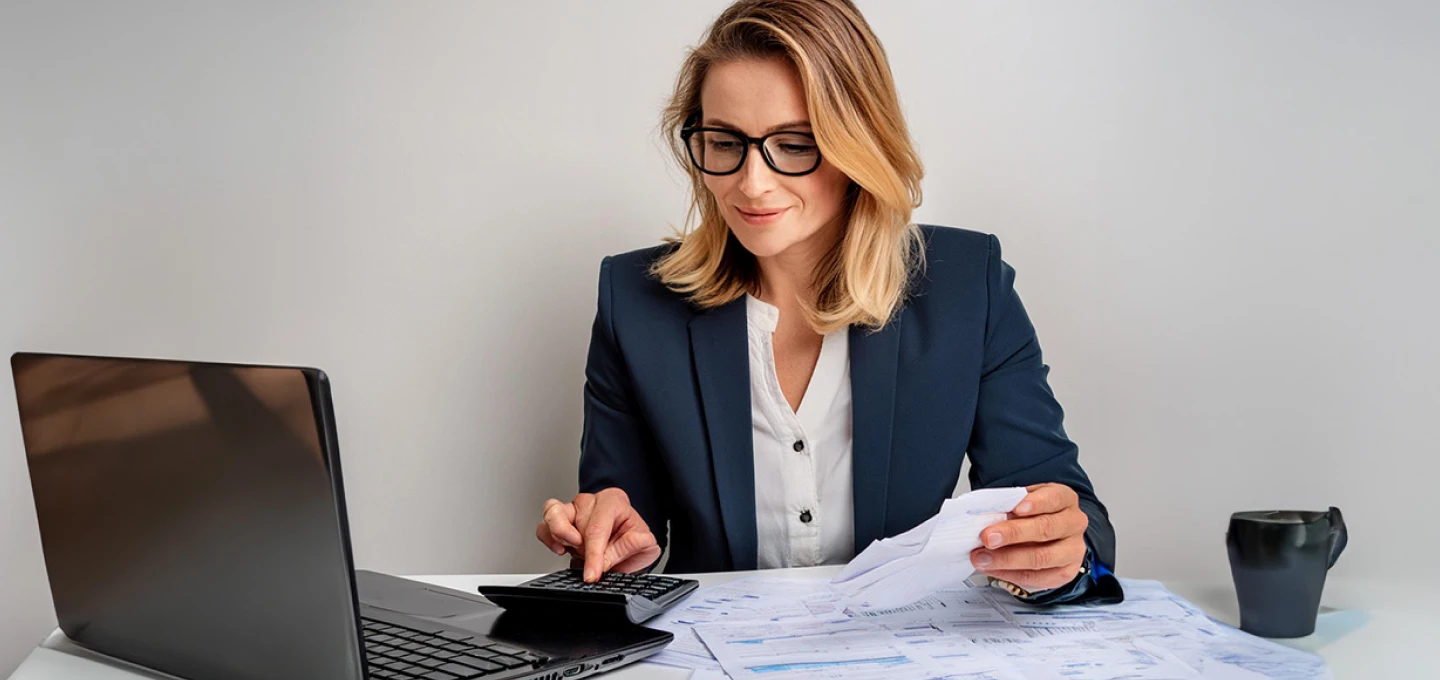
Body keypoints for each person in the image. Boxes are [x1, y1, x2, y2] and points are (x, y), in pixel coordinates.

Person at [535, 0, 1121, 605]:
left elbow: (1075, 519)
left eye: (794, 144)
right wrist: (613, 544)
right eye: (724, 141)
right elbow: (623, 533)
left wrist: (1061, 555)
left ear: (856, 146)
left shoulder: (968, 289)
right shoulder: (635, 304)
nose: (752, 182)